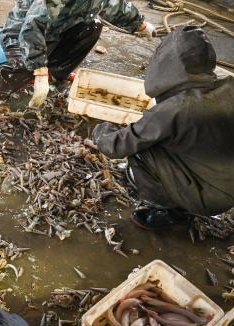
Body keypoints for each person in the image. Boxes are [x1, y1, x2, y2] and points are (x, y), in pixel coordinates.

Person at [92, 26, 234, 230]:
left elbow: (118, 146)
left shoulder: (173, 109)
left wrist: (102, 130)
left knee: (141, 152)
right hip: (228, 187)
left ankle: (172, 213)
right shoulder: (229, 87)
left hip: (208, 197)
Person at [0, 0, 155, 121]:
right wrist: (39, 68)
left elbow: (115, 5)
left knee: (92, 26)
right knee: (24, 68)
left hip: (60, 28)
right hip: (22, 31)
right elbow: (31, 29)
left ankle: (56, 71)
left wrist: (140, 24)